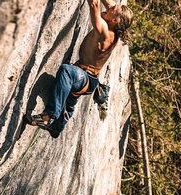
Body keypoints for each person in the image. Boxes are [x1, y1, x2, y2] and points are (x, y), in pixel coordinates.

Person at [26, 0, 134, 138]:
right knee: (69, 103)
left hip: (84, 78)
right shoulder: (114, 25)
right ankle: (56, 128)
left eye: (113, 8)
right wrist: (112, 7)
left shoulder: (105, 33)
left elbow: (94, 4)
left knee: (66, 71)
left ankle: (48, 116)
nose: (110, 6)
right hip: (88, 80)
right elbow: (108, 5)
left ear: (114, 19)